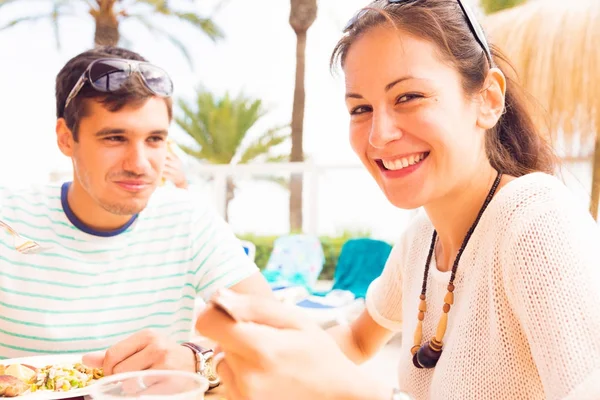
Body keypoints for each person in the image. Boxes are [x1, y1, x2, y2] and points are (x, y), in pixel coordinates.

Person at [195, 0, 600, 399]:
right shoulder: (421, 239)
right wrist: (224, 363)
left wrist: (352, 393)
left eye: (408, 97)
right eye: (361, 108)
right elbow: (356, 339)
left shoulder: (537, 224)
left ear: (489, 99)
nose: (378, 135)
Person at [0, 46, 272, 383]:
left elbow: (273, 331)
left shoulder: (187, 219)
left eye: (155, 139)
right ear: (66, 139)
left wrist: (194, 358)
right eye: (115, 137)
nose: (139, 165)